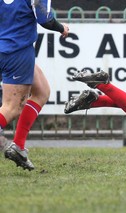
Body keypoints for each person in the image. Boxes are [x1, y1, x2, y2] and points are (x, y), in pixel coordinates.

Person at [0, 0, 69, 170]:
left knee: (42, 91)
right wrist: (61, 28)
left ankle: (19, 146)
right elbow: (44, 19)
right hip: (16, 51)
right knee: (12, 107)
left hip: (5, 46)